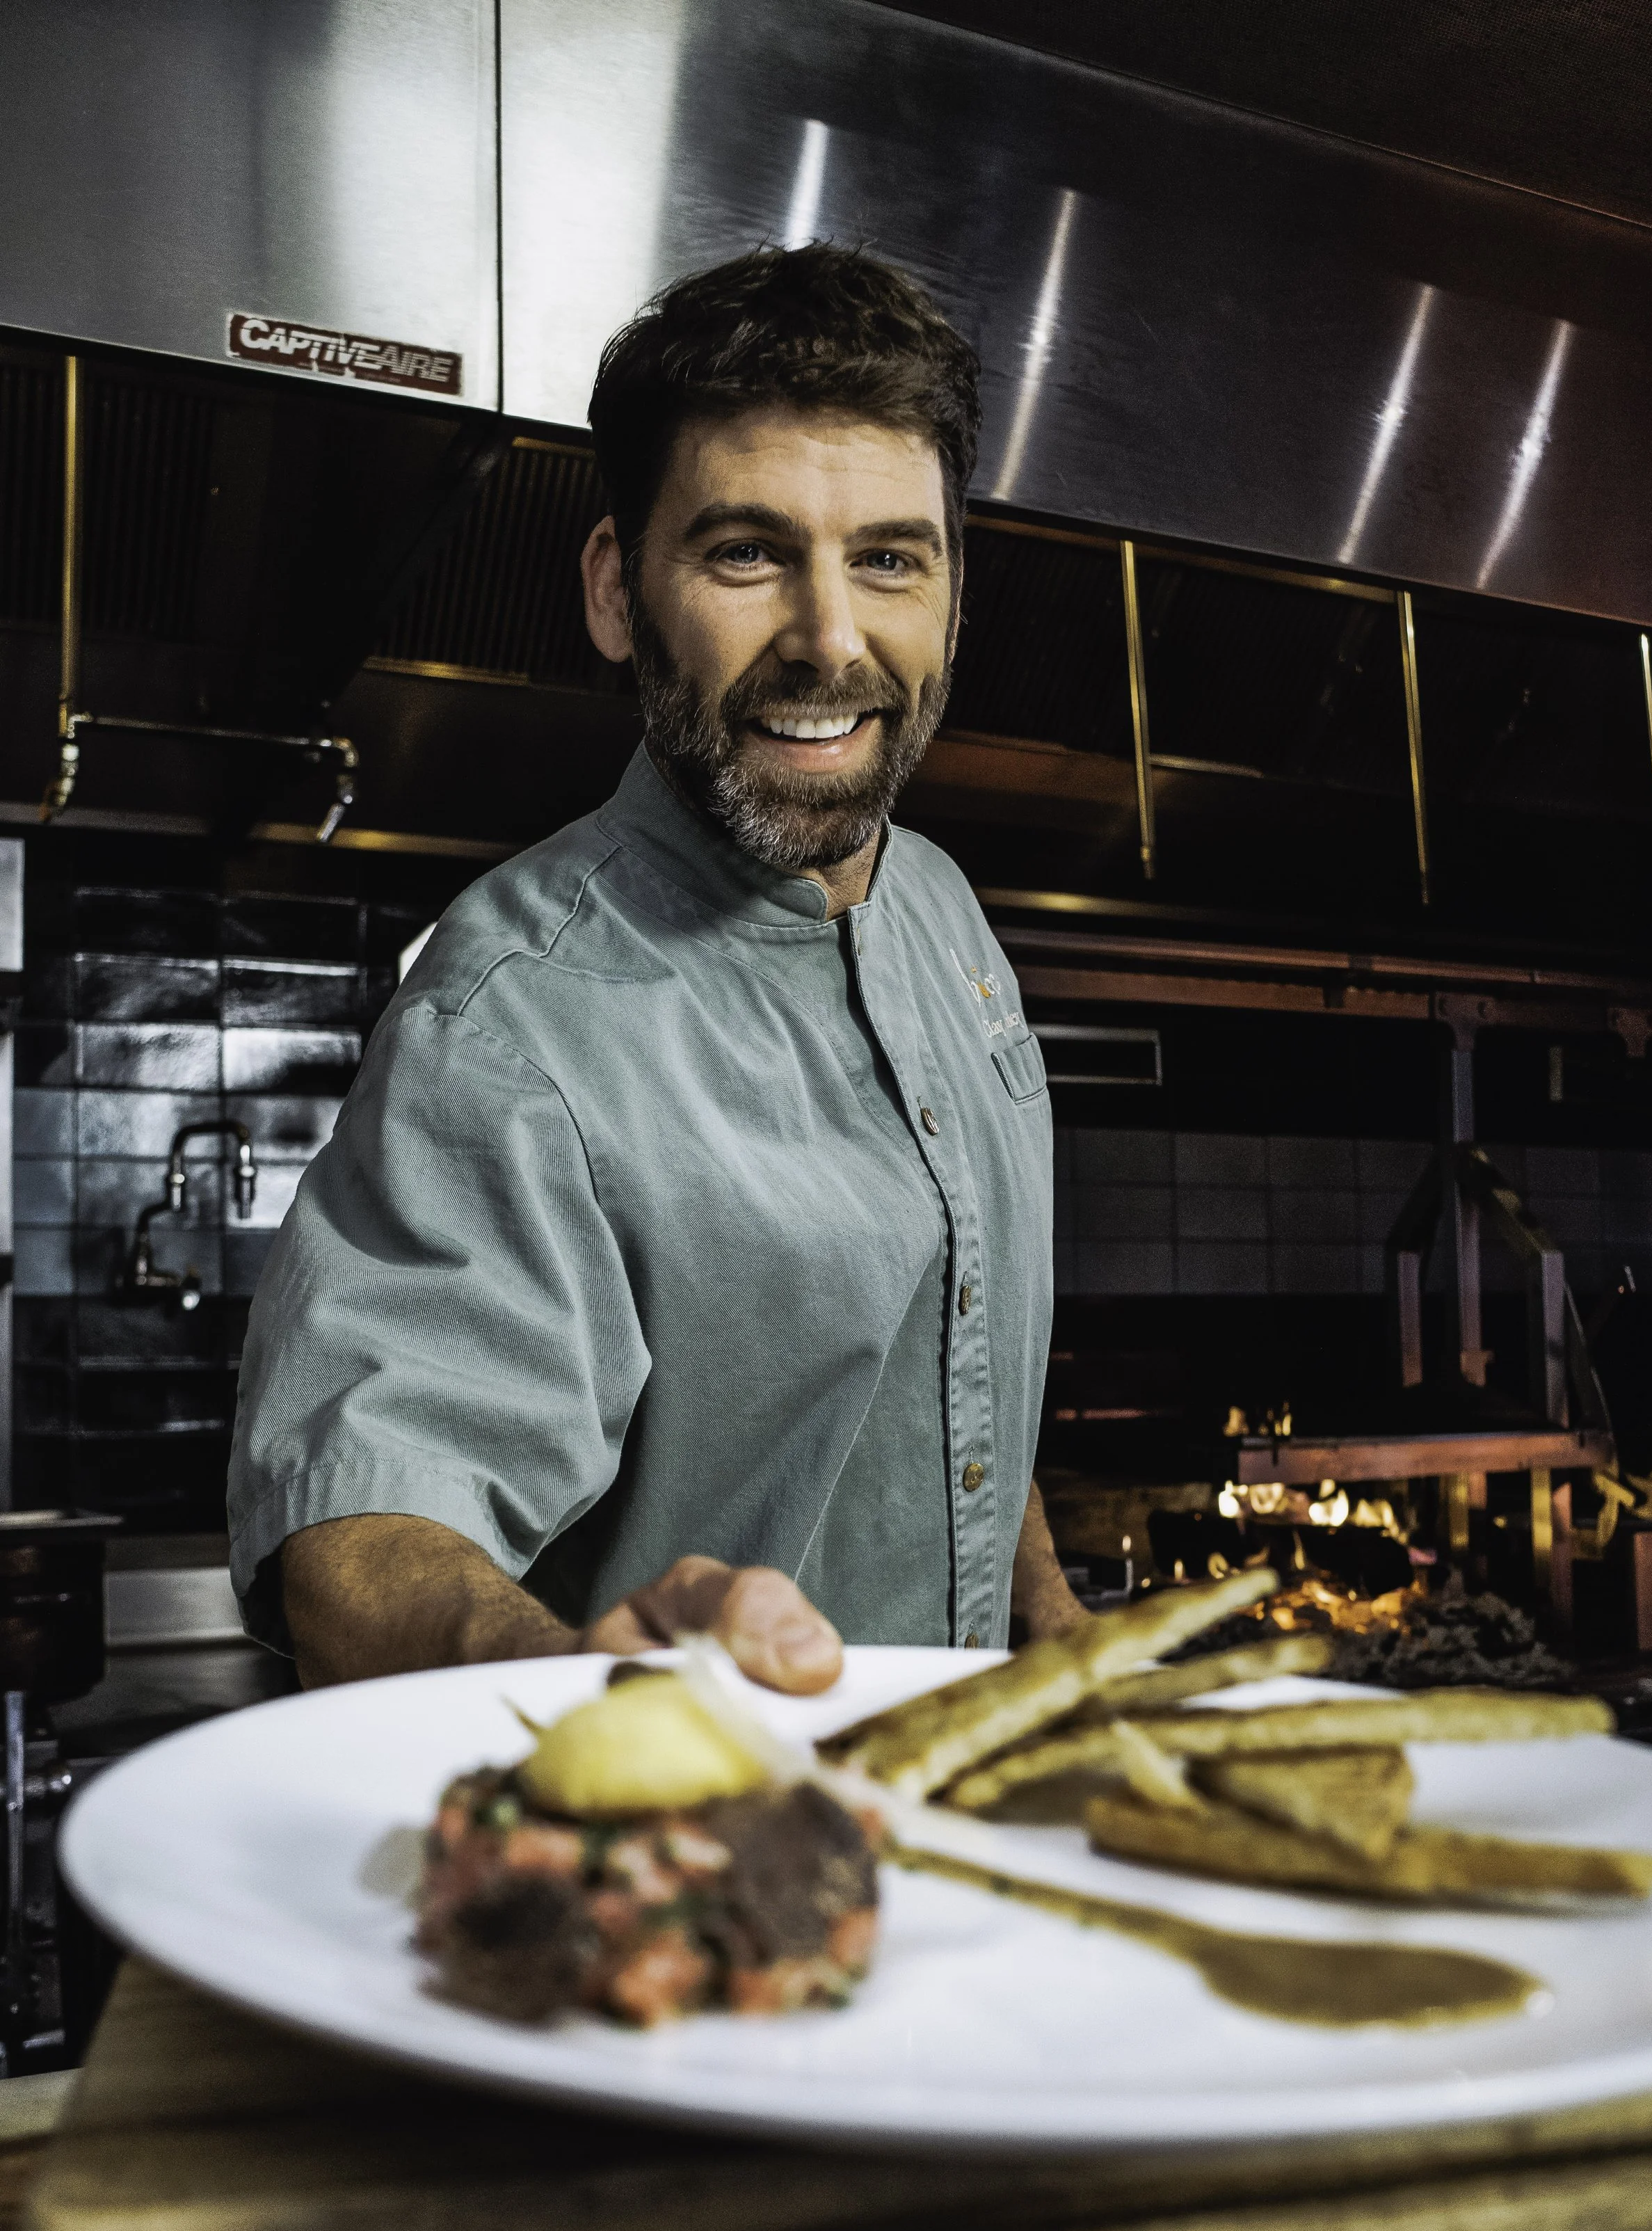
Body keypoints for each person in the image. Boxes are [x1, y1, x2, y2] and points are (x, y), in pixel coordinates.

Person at [227, 244, 1082, 1693]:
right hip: (704, 1866)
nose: (829, 640)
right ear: (619, 592)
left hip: (974, 1848)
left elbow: (942, 1349)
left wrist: (1056, 1628)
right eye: (746, 553)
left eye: (886, 558)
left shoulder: (943, 913)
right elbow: (362, 1537)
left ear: (948, 594)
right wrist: (601, 1695)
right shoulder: (511, 1021)